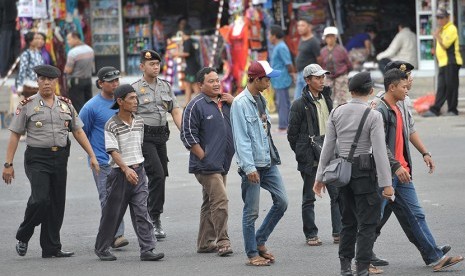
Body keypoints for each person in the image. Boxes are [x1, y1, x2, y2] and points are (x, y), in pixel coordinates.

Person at [2, 64, 99, 258]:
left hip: (60, 157)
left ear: (56, 82)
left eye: (50, 80)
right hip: (37, 158)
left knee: (56, 203)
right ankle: (24, 235)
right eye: (42, 79)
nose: (46, 83)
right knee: (40, 199)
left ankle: (51, 247)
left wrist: (93, 155)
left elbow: (78, 131)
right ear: (37, 81)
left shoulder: (65, 104)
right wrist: (8, 164)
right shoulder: (27, 104)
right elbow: (14, 134)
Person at [375, 68, 464, 272]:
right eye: (405, 85)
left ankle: (434, 257)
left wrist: (424, 153)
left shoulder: (399, 107)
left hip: (402, 173)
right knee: (373, 218)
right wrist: (395, 166)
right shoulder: (379, 110)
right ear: (392, 86)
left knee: (416, 215)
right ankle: (360, 258)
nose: (408, 88)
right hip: (386, 175)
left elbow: (408, 133)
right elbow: (378, 145)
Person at [313, 71, 394, 276]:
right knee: (367, 223)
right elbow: (379, 152)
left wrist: (320, 177)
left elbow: (328, 147)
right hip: (365, 173)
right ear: (370, 90)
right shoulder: (373, 115)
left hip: (342, 173)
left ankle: (345, 267)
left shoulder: (337, 112)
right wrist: (387, 183)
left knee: (348, 222)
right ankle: (363, 268)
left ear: (350, 91)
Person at [94, 84, 164, 262]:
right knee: (113, 213)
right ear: (120, 101)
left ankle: (147, 249)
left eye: (136, 97)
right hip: (119, 174)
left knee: (142, 211)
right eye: (131, 98)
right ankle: (102, 248)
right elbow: (113, 151)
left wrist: (137, 168)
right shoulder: (111, 124)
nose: (136, 101)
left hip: (138, 172)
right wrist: (125, 169)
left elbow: (138, 147)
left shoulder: (139, 121)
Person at [230, 60, 288, 267]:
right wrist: (249, 168)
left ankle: (260, 239)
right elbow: (241, 138)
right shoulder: (240, 103)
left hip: (268, 161)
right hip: (252, 165)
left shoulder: (261, 99)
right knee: (251, 211)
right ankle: (252, 253)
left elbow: (264, 132)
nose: (269, 83)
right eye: (267, 79)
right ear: (255, 79)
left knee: (282, 201)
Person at [180, 67, 235, 256]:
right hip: (206, 166)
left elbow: (247, 117)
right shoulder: (195, 105)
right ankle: (223, 241)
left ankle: (204, 242)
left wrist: (234, 102)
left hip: (222, 164)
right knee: (220, 200)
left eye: (217, 80)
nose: (216, 84)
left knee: (209, 202)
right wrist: (203, 156)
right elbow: (187, 135)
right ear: (200, 85)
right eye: (211, 81)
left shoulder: (225, 103)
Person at [287, 63, 341, 246]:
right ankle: (311, 234)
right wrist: (302, 153)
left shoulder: (327, 98)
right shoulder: (299, 104)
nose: (321, 81)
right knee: (309, 197)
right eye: (317, 78)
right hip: (310, 156)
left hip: (329, 152)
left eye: (322, 77)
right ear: (308, 80)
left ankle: (338, 232)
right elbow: (292, 135)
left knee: (337, 194)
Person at [132, 49, 183, 239]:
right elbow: (129, 115)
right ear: (142, 67)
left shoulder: (165, 86)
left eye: (157, 64)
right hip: (144, 137)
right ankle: (154, 218)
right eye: (151, 64)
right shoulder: (135, 88)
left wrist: (184, 132)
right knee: (158, 175)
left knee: (161, 176)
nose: (155, 67)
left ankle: (151, 214)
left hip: (161, 136)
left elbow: (175, 109)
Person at [79, 66, 129, 249]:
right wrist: (92, 156)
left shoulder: (124, 102)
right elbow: (81, 132)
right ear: (100, 83)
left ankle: (115, 233)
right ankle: (116, 235)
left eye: (117, 80)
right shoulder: (91, 107)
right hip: (102, 161)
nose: (115, 84)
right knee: (108, 198)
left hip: (124, 159)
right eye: (111, 81)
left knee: (125, 197)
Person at [423, 9, 463, 117]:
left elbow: (445, 44)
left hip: (451, 61)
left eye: (441, 17)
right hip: (443, 62)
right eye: (438, 18)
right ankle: (435, 109)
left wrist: (437, 36)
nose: (439, 20)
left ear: (447, 18)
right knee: (442, 87)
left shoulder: (451, 28)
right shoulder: (443, 29)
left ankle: (452, 109)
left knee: (451, 86)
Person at [268, 25, 295, 133]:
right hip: (278, 79)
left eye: (270, 35)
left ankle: (283, 126)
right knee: (284, 102)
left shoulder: (281, 47)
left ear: (274, 36)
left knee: (282, 103)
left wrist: (293, 74)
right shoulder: (278, 46)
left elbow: (288, 63)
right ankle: (286, 124)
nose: (269, 37)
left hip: (282, 79)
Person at [320, 26, 352, 106]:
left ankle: (343, 116)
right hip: (328, 77)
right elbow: (321, 65)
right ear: (325, 38)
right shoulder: (322, 51)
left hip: (341, 76)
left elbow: (349, 64)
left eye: (332, 36)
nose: (330, 39)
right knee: (328, 99)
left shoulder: (341, 50)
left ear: (335, 38)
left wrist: (345, 74)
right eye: (328, 37)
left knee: (342, 100)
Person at [64, 31, 95, 113]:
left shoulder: (73, 52)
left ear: (76, 38)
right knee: (88, 104)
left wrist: (65, 70)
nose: (67, 42)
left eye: (69, 39)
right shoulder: (90, 50)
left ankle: (80, 125)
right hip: (88, 80)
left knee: (78, 107)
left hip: (76, 83)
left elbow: (68, 70)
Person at [294, 16, 321, 100]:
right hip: (300, 74)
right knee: (298, 100)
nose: (299, 28)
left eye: (302, 25)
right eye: (298, 25)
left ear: (309, 27)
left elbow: (319, 59)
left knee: (307, 100)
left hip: (308, 75)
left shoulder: (314, 42)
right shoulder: (302, 39)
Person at [173, 28, 201, 106]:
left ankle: (200, 102)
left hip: (192, 67)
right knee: (188, 85)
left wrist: (176, 54)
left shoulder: (187, 42)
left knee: (195, 85)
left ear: (184, 34)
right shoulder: (192, 41)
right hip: (191, 66)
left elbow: (187, 53)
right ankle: (187, 103)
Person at [16, 32, 44, 98]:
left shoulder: (38, 53)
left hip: (38, 86)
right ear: (30, 41)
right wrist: (19, 87)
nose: (38, 40)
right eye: (36, 38)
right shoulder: (26, 54)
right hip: (29, 87)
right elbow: (22, 70)